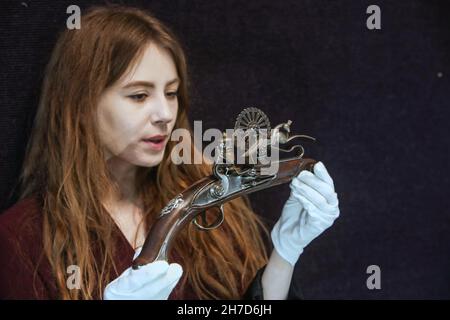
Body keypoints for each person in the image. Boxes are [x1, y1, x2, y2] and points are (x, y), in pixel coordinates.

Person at [0, 5, 340, 300]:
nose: (165, 114)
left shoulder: (210, 207)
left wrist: (285, 254)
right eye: (139, 96)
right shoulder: (21, 238)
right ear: (81, 105)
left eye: (172, 93)